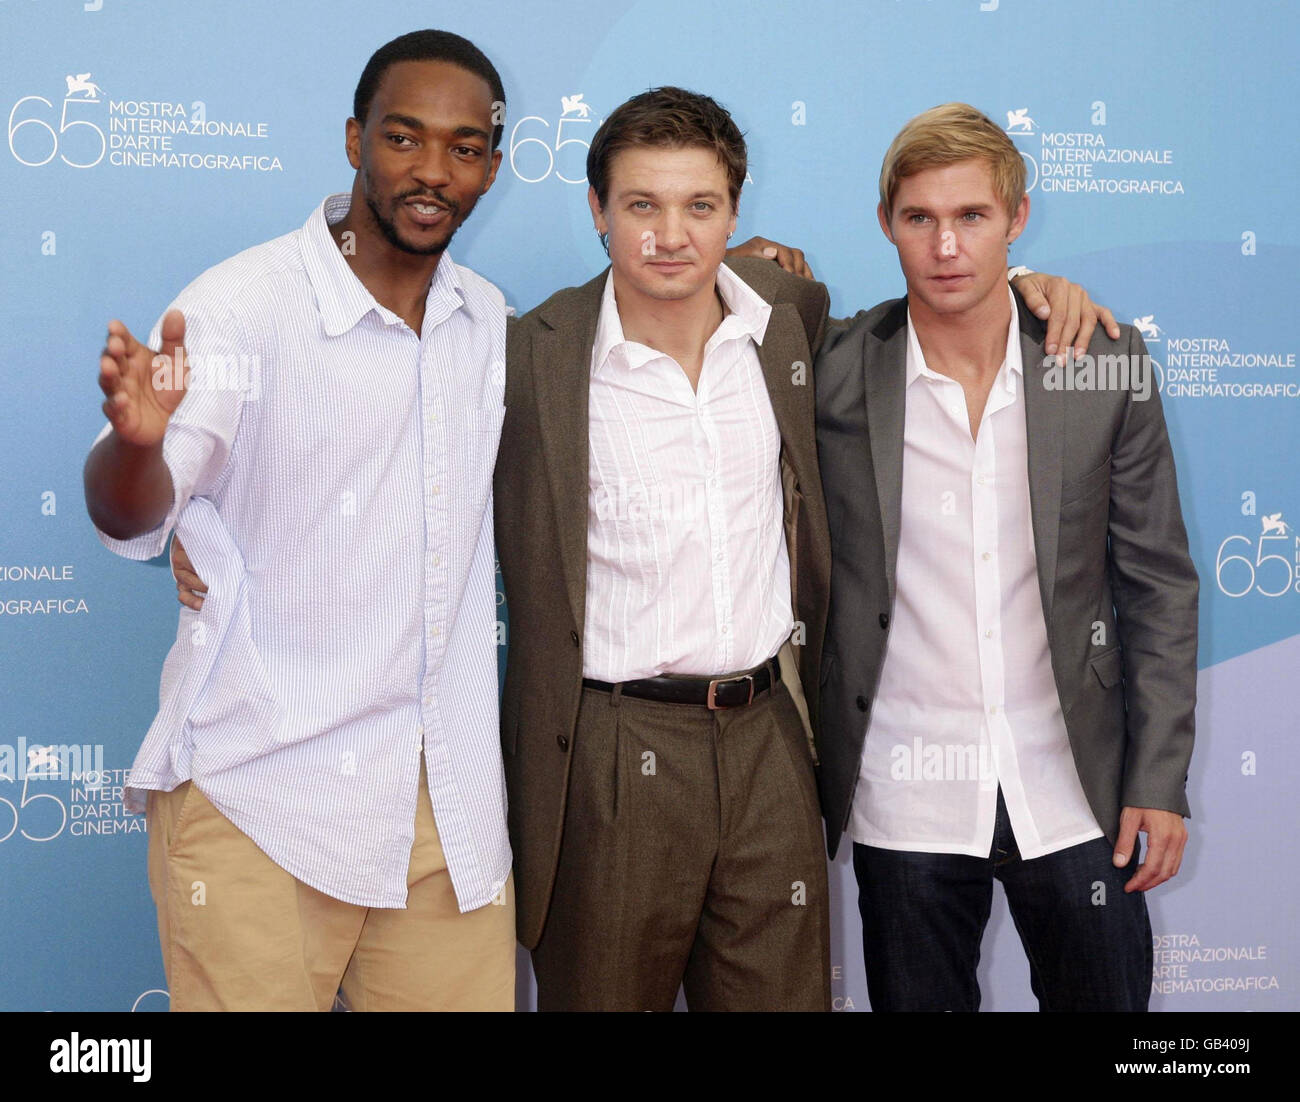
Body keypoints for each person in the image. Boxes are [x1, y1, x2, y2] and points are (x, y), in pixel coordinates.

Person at [159, 81, 1110, 1010]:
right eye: (641, 204)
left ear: (735, 213)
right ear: (597, 211)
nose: (671, 233)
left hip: (770, 742)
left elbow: (932, 316)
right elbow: (380, 458)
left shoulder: (788, 318)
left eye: (701, 205)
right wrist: (205, 525)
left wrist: (1025, 285)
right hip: (607, 752)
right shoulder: (524, 353)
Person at [83, 30, 515, 1011]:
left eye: (463, 147)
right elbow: (131, 519)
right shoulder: (238, 309)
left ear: (492, 165)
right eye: (405, 139)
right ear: (356, 139)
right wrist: (139, 450)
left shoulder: (486, 319)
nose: (432, 171)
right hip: (260, 798)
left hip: (441, 809)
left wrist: (742, 272)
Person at [813, 103, 1198, 1011]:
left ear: (1017, 220)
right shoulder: (829, 370)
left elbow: (1159, 585)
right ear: (887, 225)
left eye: (973, 217)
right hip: (904, 795)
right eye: (920, 219)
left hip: (1073, 791)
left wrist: (1159, 778)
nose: (947, 246)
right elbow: (724, 294)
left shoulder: (1100, 361)